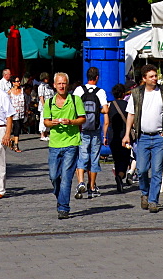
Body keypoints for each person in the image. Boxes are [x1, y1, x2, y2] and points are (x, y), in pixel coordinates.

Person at [123, 64, 163, 213]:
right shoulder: (137, 94)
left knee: (157, 170)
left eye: (155, 76)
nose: (155, 79)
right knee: (142, 170)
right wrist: (127, 134)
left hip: (159, 137)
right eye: (151, 76)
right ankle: (144, 193)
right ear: (144, 78)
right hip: (143, 137)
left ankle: (153, 200)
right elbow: (131, 115)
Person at [44, 71, 86, 219]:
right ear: (54, 85)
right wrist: (52, 123)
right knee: (54, 176)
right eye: (59, 84)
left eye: (64, 83)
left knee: (67, 177)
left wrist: (71, 122)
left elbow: (82, 119)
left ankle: (63, 208)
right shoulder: (49, 102)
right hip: (55, 143)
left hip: (72, 142)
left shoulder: (75, 100)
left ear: (67, 85)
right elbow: (46, 121)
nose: (61, 86)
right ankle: (60, 196)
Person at [73, 67, 108, 199]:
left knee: (82, 155)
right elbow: (105, 110)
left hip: (81, 128)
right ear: (97, 77)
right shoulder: (100, 92)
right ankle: (92, 187)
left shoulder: (79, 90)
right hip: (95, 128)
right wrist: (98, 110)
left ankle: (80, 182)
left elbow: (74, 106)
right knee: (94, 157)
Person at [108, 83, 131, 192]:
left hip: (113, 135)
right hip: (125, 135)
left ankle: (118, 176)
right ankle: (120, 176)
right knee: (125, 159)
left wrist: (104, 135)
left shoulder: (110, 105)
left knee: (116, 159)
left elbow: (107, 122)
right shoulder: (128, 105)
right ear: (123, 93)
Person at [9, 75, 27, 152]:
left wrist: (26, 110)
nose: (19, 82)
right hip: (14, 113)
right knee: (17, 126)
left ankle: (12, 139)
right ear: (13, 82)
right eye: (17, 81)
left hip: (21, 112)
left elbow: (26, 101)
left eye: (19, 81)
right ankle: (16, 145)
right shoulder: (9, 92)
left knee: (19, 127)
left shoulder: (22, 90)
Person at [38, 71, 54, 141]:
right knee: (42, 119)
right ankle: (42, 134)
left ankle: (46, 133)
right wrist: (44, 106)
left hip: (50, 105)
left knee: (48, 118)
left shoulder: (48, 86)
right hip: (44, 106)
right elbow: (41, 97)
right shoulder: (41, 86)